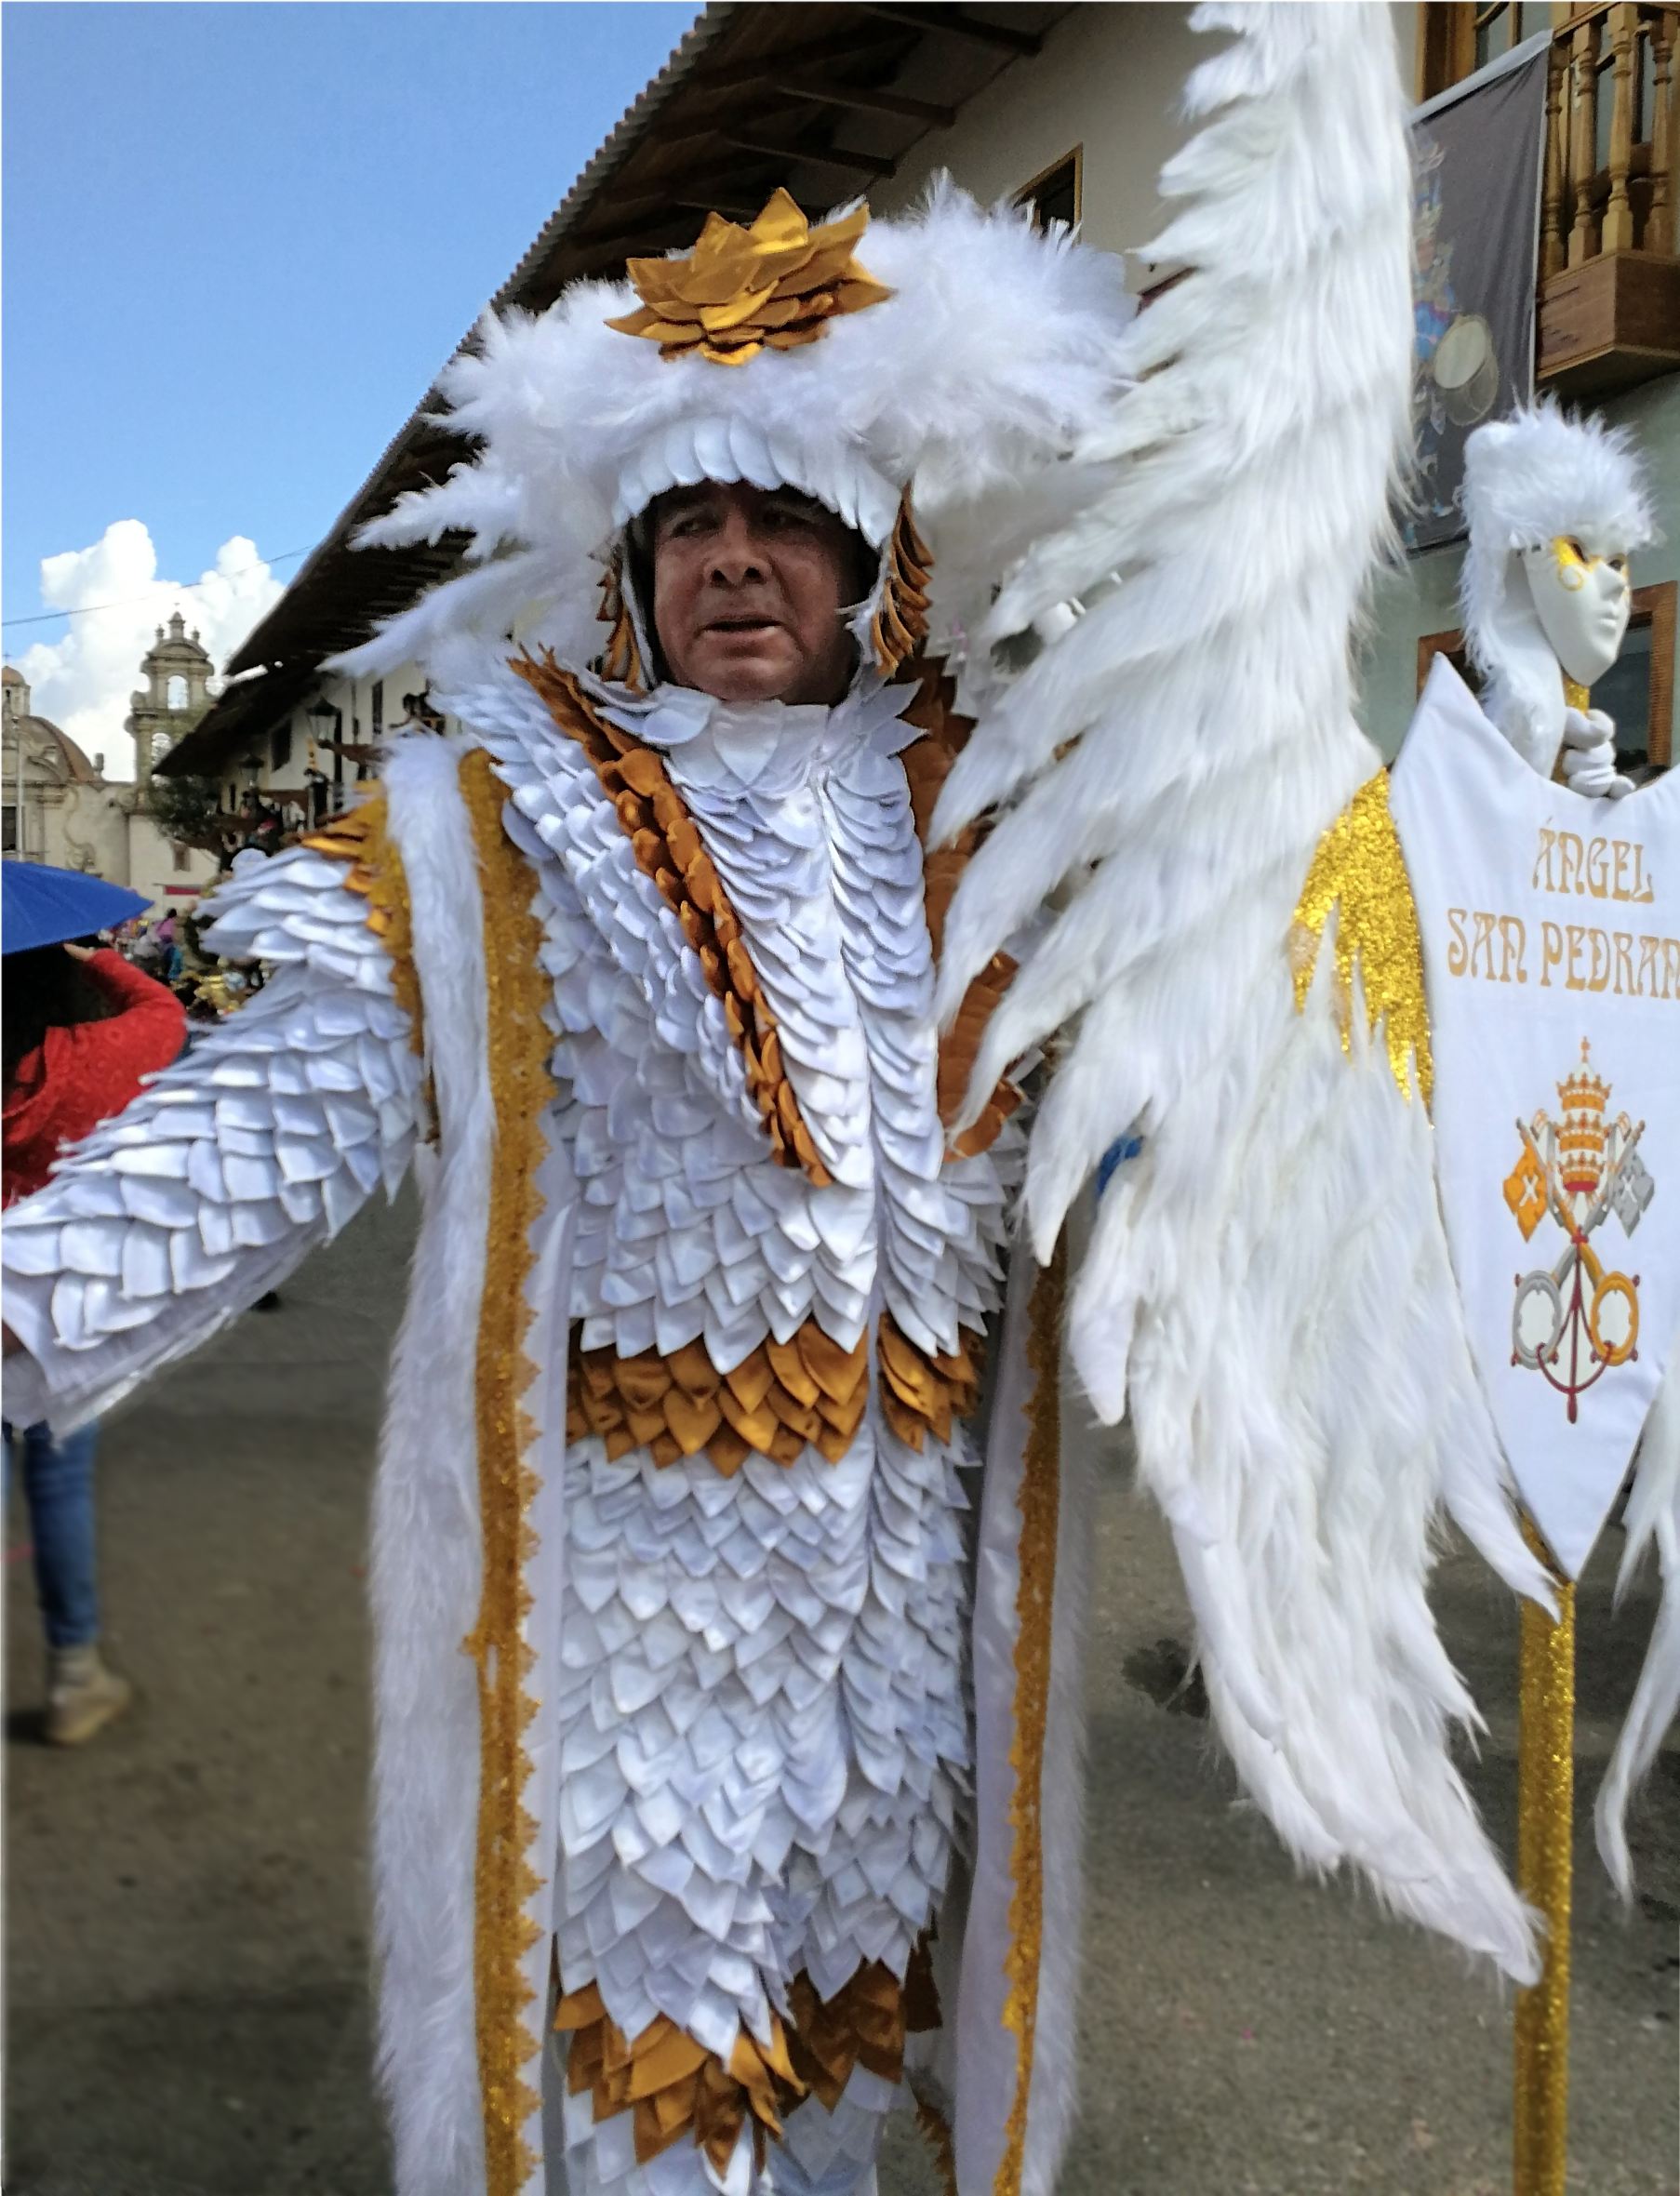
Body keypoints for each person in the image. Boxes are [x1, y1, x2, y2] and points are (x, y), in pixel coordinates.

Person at [1, 19, 1552, 2195]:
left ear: (878, 560)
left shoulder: (1017, 836)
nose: (736, 557)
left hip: (909, 1652)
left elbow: (1169, 1177)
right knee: (646, 2112)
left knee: (839, 2095)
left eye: (787, 518)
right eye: (691, 520)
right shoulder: (482, 837)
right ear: (625, 570)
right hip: (634, 1662)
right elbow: (263, 1128)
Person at [4, 938, 186, 1743]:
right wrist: (95, 960)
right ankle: (76, 1675)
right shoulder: (89, 1058)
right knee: (59, 1484)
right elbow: (166, 1013)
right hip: (52, 1307)